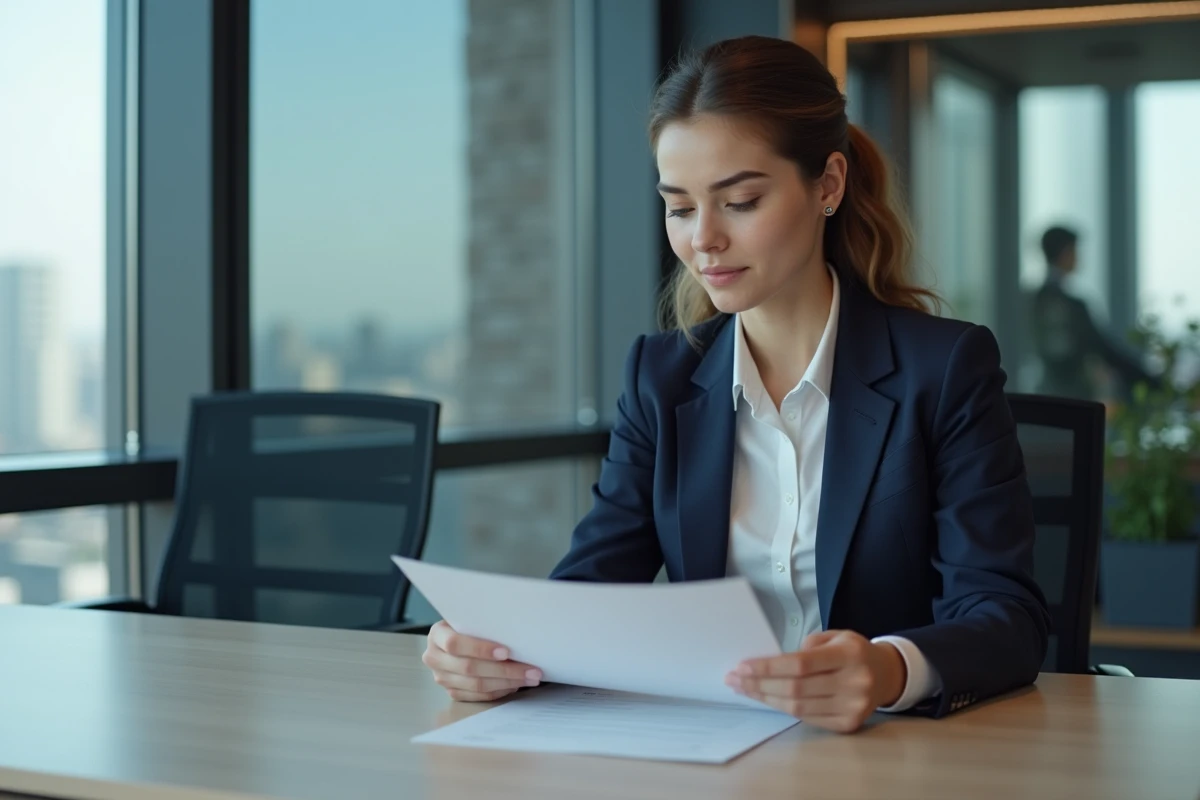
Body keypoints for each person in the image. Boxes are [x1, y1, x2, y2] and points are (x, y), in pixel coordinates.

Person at [422, 36, 1050, 734]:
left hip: (888, 757)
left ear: (828, 185)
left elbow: (1007, 618)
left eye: (740, 201)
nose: (703, 241)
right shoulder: (662, 379)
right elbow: (589, 594)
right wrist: (492, 654)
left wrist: (885, 669)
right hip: (711, 747)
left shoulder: (946, 368)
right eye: (681, 208)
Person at [1030, 225, 1158, 401]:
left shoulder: (1033, 301)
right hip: (1072, 396)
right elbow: (1103, 347)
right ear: (1066, 252)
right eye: (1075, 251)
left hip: (1044, 393)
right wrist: (1151, 380)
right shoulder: (1072, 306)